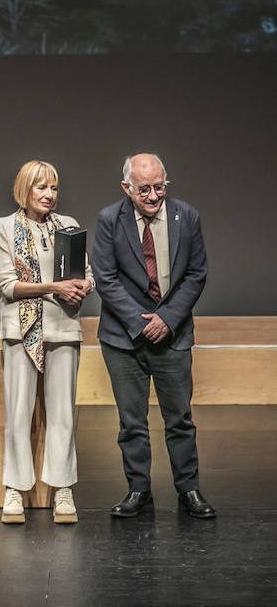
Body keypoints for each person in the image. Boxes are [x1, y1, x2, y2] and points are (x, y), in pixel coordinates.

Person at [93, 153, 215, 519]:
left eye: (159, 186)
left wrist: (167, 319)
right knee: (131, 422)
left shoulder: (186, 217)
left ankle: (189, 489)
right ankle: (138, 490)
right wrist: (142, 321)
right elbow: (105, 277)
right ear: (126, 188)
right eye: (144, 188)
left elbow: (196, 273)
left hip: (173, 335)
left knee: (179, 418)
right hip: (123, 339)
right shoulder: (109, 220)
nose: (152, 195)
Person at [0, 160, 94, 525]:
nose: (49, 195)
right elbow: (7, 285)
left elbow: (86, 273)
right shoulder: (3, 228)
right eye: (41, 187)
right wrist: (54, 287)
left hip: (63, 326)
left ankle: (63, 489)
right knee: (18, 414)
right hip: (21, 330)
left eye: (53, 188)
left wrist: (83, 286)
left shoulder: (68, 226)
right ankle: (14, 490)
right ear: (24, 190)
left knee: (63, 414)